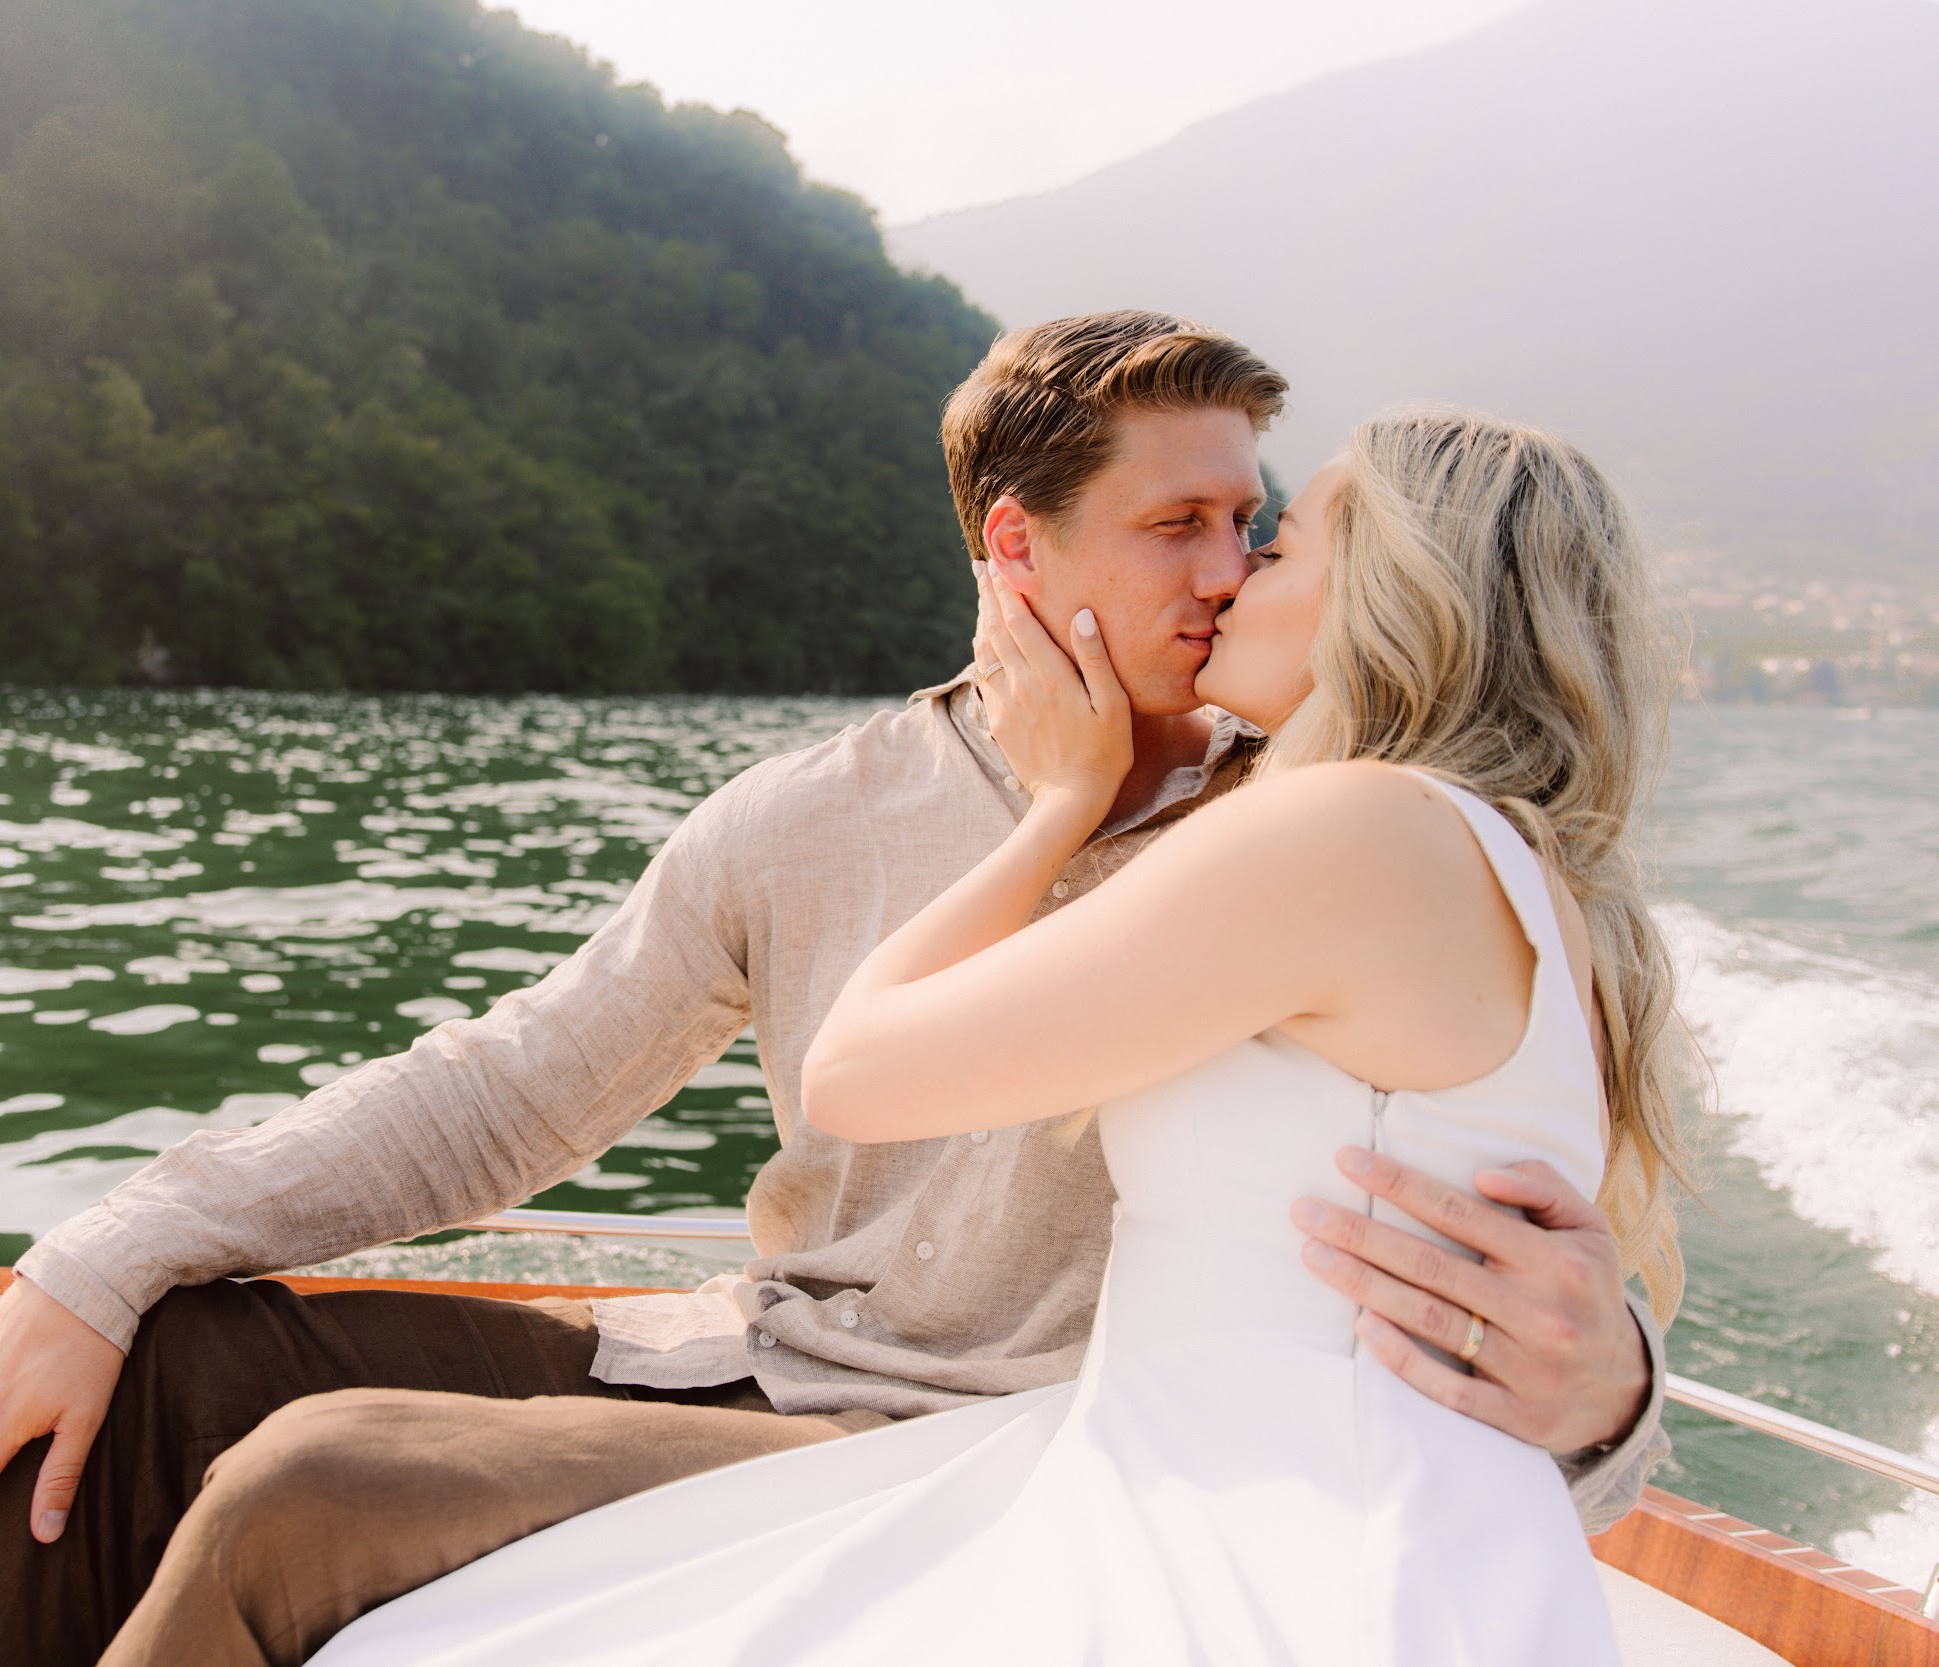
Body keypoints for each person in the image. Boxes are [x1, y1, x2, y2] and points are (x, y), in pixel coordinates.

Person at [0, 317, 1669, 1667]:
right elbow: (508, 1095)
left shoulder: (1319, 824)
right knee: (177, 1360)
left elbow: (1506, 1204)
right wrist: (104, 1250)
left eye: (1254, 522)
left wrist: (1610, 1393)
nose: (1234, 565)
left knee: (318, 1484)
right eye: (1179, 525)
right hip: (755, 1359)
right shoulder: (812, 818)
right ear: (1017, 552)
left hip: (988, 1445)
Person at [311, 408, 1691, 1665]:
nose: (1230, 578)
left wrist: (1059, 804)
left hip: (1265, 1557)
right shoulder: (1499, 869)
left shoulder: (1353, 830)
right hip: (1316, 1516)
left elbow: (857, 1070)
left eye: (1275, 545)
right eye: (1198, 533)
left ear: (1396, 597)